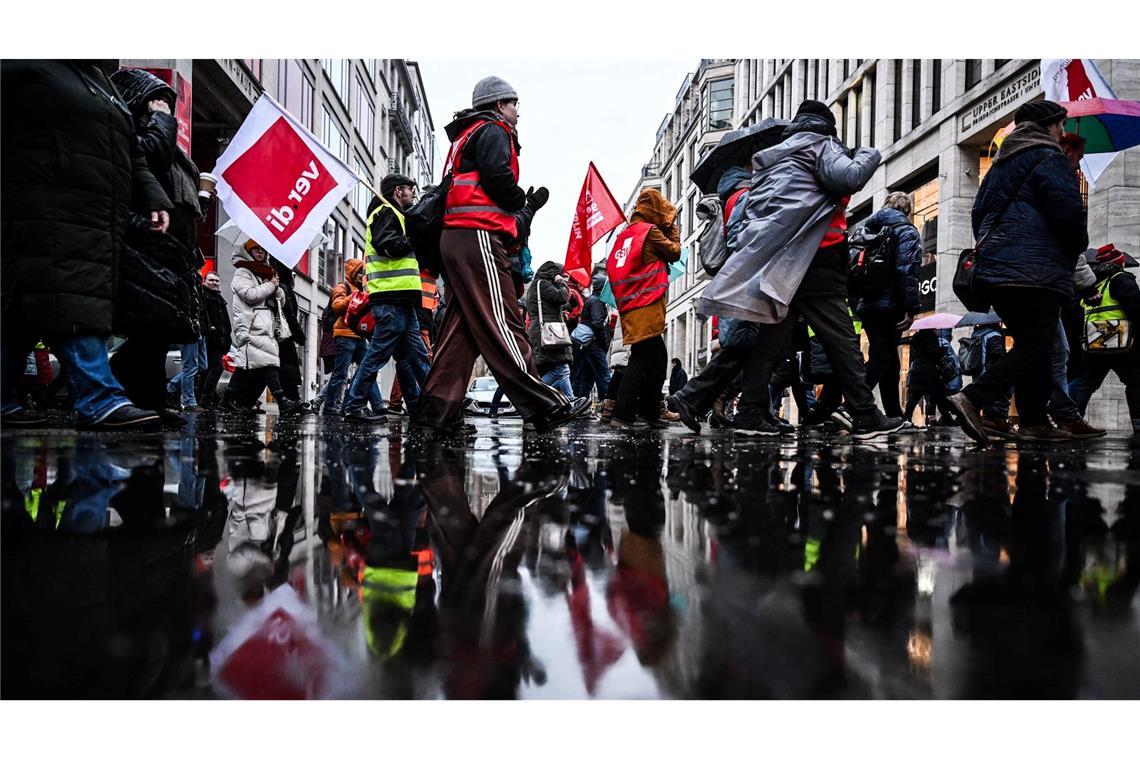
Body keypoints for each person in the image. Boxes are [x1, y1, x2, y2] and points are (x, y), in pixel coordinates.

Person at [696, 100, 903, 439]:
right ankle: (865, 416)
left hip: (785, 264)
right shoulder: (821, 145)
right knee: (843, 341)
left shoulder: (772, 159)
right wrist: (867, 153)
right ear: (826, 125)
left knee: (769, 344)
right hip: (818, 258)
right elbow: (848, 177)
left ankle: (748, 412)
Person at [413, 76, 590, 436]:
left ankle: (434, 413)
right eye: (514, 104)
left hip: (458, 238)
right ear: (498, 105)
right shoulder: (493, 130)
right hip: (478, 235)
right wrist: (520, 201)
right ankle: (544, 406)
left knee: (460, 332)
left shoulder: (466, 135)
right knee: (503, 321)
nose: (517, 113)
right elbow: (498, 181)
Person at [2, 60, 171, 429]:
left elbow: (131, 153)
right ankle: (99, 398)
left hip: (94, 212)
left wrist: (153, 197)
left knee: (22, 310)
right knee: (72, 299)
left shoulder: (99, 81)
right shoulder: (24, 62)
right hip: (42, 203)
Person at [947, 100, 1089, 443]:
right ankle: (973, 398)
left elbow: (978, 216)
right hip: (1035, 269)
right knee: (1037, 344)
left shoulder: (1000, 165)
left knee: (1032, 344)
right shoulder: (1049, 157)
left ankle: (1034, 422)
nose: (1062, 132)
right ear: (1049, 126)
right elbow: (1069, 216)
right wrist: (1075, 246)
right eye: (1060, 126)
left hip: (1000, 271)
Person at [341, 174, 430, 422]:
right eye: (411, 190)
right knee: (378, 354)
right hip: (390, 297)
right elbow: (388, 245)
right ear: (398, 191)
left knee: (417, 356)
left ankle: (433, 408)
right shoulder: (383, 212)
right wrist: (414, 236)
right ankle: (354, 406)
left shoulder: (395, 214)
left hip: (401, 298)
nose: (413, 194)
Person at [607, 188, 682, 431]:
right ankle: (624, 414)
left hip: (631, 303)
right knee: (643, 359)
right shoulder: (650, 232)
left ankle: (648, 412)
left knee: (656, 358)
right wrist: (672, 226)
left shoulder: (626, 234)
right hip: (646, 302)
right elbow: (675, 252)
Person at [853, 191, 922, 420]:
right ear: (907, 210)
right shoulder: (906, 231)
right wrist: (911, 308)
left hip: (867, 304)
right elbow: (906, 270)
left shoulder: (867, 229)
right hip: (889, 305)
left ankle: (895, 414)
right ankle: (852, 407)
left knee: (889, 360)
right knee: (883, 357)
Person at [222, 240, 303, 413]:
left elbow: (279, 300)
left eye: (262, 250)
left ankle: (226, 401)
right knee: (268, 363)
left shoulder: (265, 273)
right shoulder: (243, 272)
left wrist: (278, 289)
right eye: (256, 250)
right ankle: (282, 401)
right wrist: (270, 285)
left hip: (265, 325)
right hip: (251, 324)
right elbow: (250, 295)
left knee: (246, 365)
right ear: (249, 252)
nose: (260, 253)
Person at [1070, 244, 1140, 432]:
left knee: (1087, 385)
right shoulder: (1121, 280)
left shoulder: (1093, 286)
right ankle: (1138, 424)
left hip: (1095, 344)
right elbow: (1135, 310)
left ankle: (1072, 421)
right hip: (1122, 343)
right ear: (1119, 264)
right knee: (1135, 382)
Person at [322, 258, 383, 415]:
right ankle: (329, 406)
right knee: (340, 373)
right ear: (353, 272)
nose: (362, 275)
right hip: (344, 335)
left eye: (363, 272)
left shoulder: (363, 289)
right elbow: (337, 306)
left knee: (368, 370)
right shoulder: (342, 287)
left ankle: (378, 405)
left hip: (360, 337)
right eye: (360, 271)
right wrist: (355, 297)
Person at [524, 262, 577, 399]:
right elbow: (562, 297)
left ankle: (552, 400)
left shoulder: (536, 286)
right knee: (560, 369)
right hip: (548, 332)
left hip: (542, 331)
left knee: (555, 369)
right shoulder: (543, 284)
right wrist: (561, 282)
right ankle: (534, 396)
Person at [903, 329, 960, 426]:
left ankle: (906, 418)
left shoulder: (916, 338)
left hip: (917, 370)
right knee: (939, 397)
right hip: (930, 372)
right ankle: (947, 418)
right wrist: (941, 350)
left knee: (914, 397)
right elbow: (933, 354)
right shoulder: (931, 338)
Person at [573, 275, 613, 405]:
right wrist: (605, 340)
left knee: (587, 377)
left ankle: (581, 406)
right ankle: (607, 406)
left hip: (586, 345)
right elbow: (597, 322)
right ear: (603, 288)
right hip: (594, 344)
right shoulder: (597, 301)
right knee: (604, 375)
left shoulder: (592, 300)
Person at [199, 271, 232, 408]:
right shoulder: (203, 297)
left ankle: (204, 400)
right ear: (204, 281)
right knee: (216, 368)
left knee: (207, 371)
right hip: (210, 340)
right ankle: (206, 400)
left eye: (216, 281)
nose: (214, 283)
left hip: (218, 341)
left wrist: (227, 338)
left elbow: (224, 321)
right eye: (211, 280)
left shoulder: (219, 298)